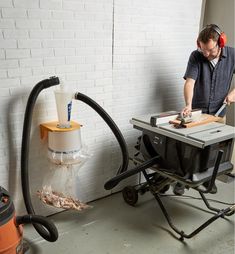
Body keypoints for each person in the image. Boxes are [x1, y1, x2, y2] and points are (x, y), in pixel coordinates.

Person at [174, 24, 235, 196]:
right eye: (203, 50)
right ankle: (181, 180)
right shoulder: (196, 56)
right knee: (188, 148)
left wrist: (233, 94)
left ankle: (209, 179)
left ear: (220, 43)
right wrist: (188, 104)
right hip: (198, 114)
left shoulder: (232, 55)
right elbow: (190, 82)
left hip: (219, 114)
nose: (206, 54)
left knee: (212, 150)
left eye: (209, 50)